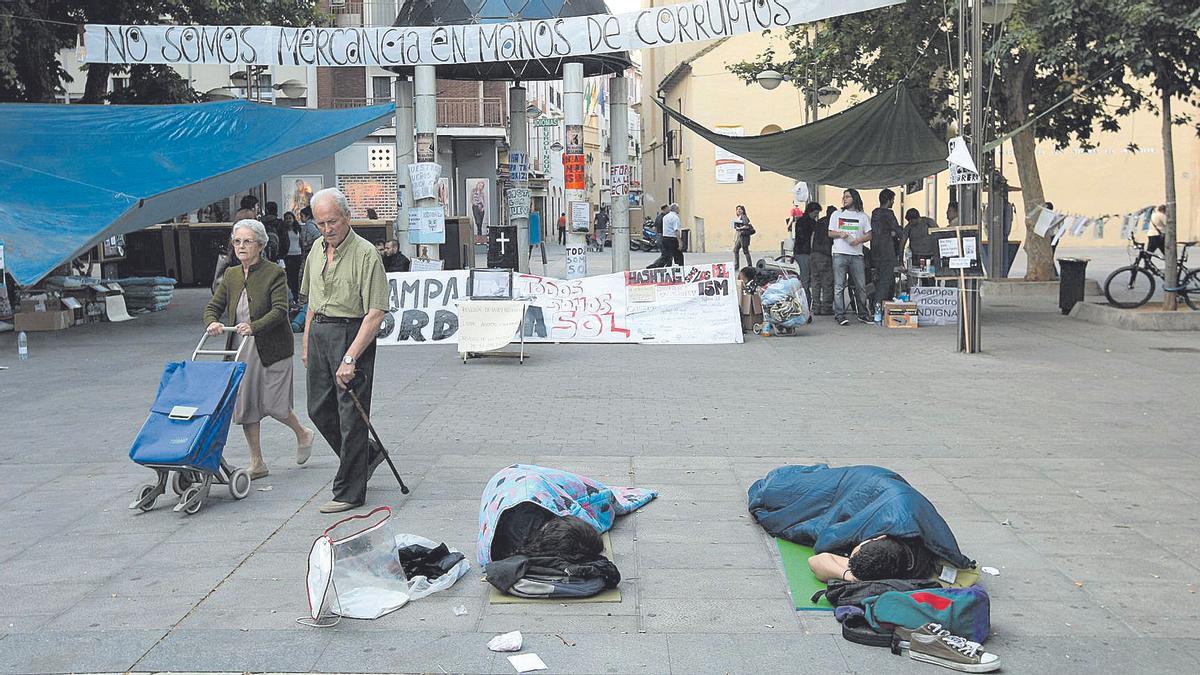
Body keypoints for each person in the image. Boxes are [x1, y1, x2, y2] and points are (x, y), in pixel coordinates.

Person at [204, 219, 314, 481]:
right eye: (237, 241)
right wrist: (213, 323)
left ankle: (302, 433)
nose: (241, 246)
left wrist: (254, 326)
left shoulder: (274, 272)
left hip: (273, 347)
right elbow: (213, 306)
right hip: (241, 348)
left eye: (247, 241)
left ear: (261, 245)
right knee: (246, 406)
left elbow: (280, 310)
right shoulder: (230, 275)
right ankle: (258, 462)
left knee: (276, 405)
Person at [301, 187, 390, 514]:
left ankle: (350, 490)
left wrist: (351, 357)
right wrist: (307, 339)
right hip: (321, 331)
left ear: (347, 218)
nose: (327, 229)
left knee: (351, 414)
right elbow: (311, 300)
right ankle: (364, 454)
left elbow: (376, 313)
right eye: (321, 223)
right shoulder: (315, 249)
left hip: (353, 333)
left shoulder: (366, 254)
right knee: (318, 408)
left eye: (333, 222)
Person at [808, 534, 937, 582]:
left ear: (881, 537)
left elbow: (815, 561)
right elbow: (818, 560)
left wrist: (849, 576)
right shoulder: (888, 560)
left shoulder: (881, 561)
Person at [829, 189, 872, 326]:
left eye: (848, 196)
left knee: (861, 286)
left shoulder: (863, 216)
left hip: (857, 255)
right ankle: (840, 315)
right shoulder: (837, 214)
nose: (845, 199)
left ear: (855, 198)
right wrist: (840, 234)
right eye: (844, 196)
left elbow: (869, 235)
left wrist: (858, 241)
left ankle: (863, 314)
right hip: (840, 253)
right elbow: (830, 233)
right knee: (839, 285)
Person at [870, 189, 900, 306]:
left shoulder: (874, 213)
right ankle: (878, 306)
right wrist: (895, 232)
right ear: (888, 200)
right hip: (887, 251)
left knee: (878, 280)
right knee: (885, 281)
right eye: (892, 200)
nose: (893, 202)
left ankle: (875, 304)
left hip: (875, 251)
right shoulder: (888, 214)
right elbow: (897, 230)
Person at [809, 204, 835, 315]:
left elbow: (812, 237)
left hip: (814, 253)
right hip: (825, 255)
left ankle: (816, 307)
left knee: (815, 282)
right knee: (827, 282)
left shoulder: (819, 222)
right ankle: (826, 308)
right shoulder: (832, 223)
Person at [792, 202, 819, 300]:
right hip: (804, 252)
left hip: (800, 251)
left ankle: (806, 299)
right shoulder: (809, 222)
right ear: (810, 211)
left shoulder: (801, 221)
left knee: (805, 277)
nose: (816, 216)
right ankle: (806, 299)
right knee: (805, 278)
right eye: (815, 213)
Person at [648, 203, 685, 268]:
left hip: (665, 238)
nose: (679, 210)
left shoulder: (665, 217)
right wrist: (680, 241)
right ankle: (681, 269)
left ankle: (656, 266)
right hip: (672, 239)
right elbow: (676, 230)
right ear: (675, 209)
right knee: (679, 255)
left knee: (666, 256)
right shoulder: (675, 218)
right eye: (678, 209)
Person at [282, 212, 304, 298]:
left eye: (290, 218)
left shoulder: (297, 229)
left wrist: (302, 252)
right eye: (287, 218)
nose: (288, 220)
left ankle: (296, 296)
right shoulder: (283, 230)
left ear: (293, 219)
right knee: (289, 276)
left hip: (297, 254)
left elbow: (301, 241)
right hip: (288, 255)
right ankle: (290, 296)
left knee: (295, 277)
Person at [732, 205, 754, 269]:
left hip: (744, 236)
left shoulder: (744, 217)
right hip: (740, 236)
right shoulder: (739, 217)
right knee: (735, 250)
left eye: (740, 209)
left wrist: (739, 228)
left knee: (745, 251)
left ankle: (750, 266)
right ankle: (736, 266)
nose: (738, 210)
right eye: (737, 209)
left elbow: (746, 226)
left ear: (743, 211)